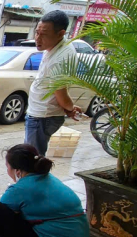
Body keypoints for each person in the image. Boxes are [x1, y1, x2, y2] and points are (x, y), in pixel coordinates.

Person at [26, 10, 85, 156]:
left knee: (33, 160)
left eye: (44, 34)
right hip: (40, 115)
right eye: (37, 32)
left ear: (60, 34)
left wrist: (69, 107)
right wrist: (68, 107)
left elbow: (61, 93)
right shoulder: (53, 47)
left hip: (42, 118)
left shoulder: (61, 58)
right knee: (31, 156)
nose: (38, 38)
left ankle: (36, 178)